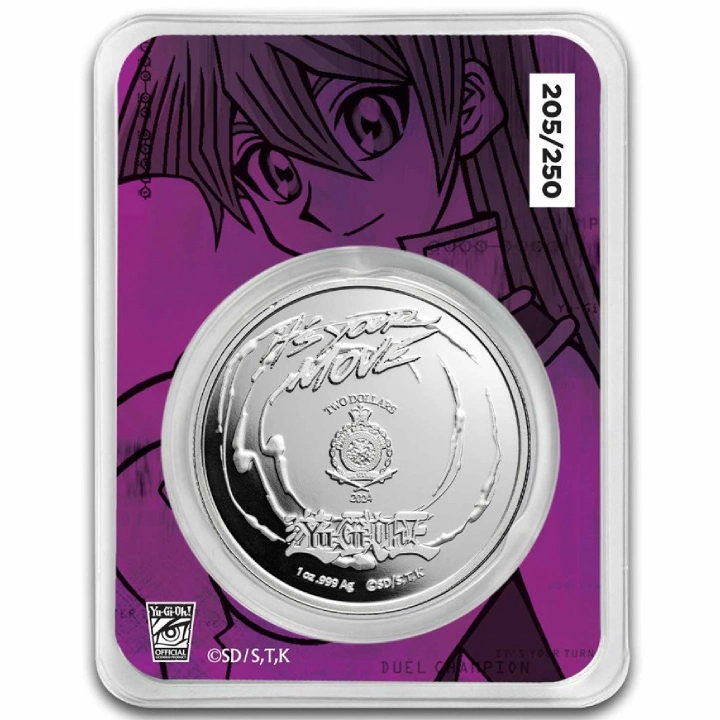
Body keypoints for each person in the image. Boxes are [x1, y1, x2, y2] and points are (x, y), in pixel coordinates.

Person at [117, 34, 600, 681]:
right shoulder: (225, 395)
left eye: (366, 122)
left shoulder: (550, 388)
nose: (315, 197)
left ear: (469, 105)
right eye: (269, 168)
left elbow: (559, 659)